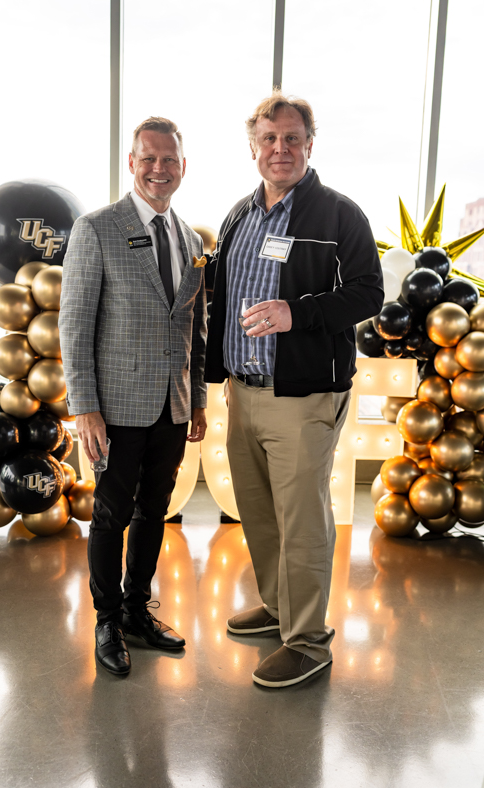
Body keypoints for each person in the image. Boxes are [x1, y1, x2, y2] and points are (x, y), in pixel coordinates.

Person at [204, 93, 384, 688]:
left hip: (304, 395)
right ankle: (281, 609)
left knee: (302, 520)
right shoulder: (238, 216)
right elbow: (221, 303)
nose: (280, 149)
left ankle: (308, 641)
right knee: (258, 512)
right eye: (269, 139)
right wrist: (216, 377)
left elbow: (367, 295)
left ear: (310, 144)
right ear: (253, 147)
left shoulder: (339, 215)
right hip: (244, 390)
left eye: (292, 138)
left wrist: (296, 312)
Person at [59, 117, 207, 676]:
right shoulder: (96, 229)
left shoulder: (190, 238)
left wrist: (195, 402)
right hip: (114, 408)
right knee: (110, 515)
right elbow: (74, 326)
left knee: (155, 511)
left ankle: (135, 610)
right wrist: (84, 407)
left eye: (169, 159)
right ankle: (105, 620)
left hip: (170, 405)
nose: (159, 168)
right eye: (148, 158)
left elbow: (192, 328)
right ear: (131, 163)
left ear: (183, 166)